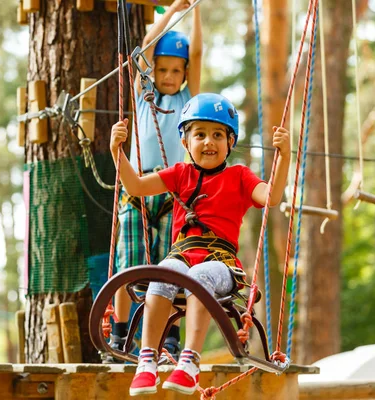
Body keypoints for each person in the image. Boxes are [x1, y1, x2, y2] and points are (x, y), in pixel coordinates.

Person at [109, 93, 291, 396]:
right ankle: (146, 361)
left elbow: (270, 197)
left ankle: (189, 362)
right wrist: (118, 152)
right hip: (181, 257)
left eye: (218, 135)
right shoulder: (181, 174)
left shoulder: (239, 177)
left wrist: (284, 156)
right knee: (164, 272)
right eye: (200, 134)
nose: (209, 142)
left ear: (230, 142)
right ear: (185, 142)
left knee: (198, 276)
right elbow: (136, 187)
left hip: (221, 266)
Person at [108, 0, 202, 363]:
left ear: (184, 73)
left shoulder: (186, 101)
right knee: (126, 267)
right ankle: (119, 334)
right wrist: (175, 8)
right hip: (138, 191)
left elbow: (198, 51)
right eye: (162, 70)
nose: (167, 76)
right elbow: (144, 50)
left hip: (171, 194)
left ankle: (170, 337)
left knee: (170, 267)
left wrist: (198, 12)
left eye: (175, 71)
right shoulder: (143, 95)